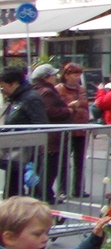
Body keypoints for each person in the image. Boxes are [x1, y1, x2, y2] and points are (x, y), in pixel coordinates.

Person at [1, 65, 47, 200]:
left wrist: (22, 137)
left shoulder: (30, 98)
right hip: (15, 150)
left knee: (24, 192)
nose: (3, 90)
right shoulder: (16, 98)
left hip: (26, 153)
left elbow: (40, 124)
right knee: (13, 190)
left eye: (4, 87)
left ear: (14, 83)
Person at [30, 65, 71, 203]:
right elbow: (50, 111)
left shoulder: (36, 90)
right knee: (50, 168)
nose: (55, 77)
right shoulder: (47, 92)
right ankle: (45, 195)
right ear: (46, 77)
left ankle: (43, 194)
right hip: (52, 137)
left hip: (46, 136)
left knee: (44, 167)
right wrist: (68, 110)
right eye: (53, 75)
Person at [57, 62, 92, 200]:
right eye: (74, 74)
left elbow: (84, 104)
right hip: (67, 127)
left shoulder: (81, 89)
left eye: (79, 74)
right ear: (66, 75)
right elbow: (59, 107)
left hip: (81, 127)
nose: (77, 77)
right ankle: (63, 189)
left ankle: (78, 189)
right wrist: (70, 106)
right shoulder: (59, 89)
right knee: (64, 160)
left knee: (80, 160)